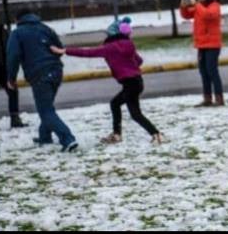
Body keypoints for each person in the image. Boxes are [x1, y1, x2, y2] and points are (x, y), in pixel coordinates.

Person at [52, 17, 165, 145]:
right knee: (115, 104)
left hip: (129, 84)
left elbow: (87, 52)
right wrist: (127, 63)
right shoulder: (128, 44)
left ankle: (156, 134)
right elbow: (139, 61)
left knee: (135, 114)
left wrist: (65, 51)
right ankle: (117, 134)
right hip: (137, 82)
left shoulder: (108, 48)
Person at [6, 9, 78, 151]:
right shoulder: (45, 28)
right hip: (56, 71)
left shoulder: (17, 33)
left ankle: (68, 139)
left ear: (17, 20)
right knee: (47, 107)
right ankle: (45, 137)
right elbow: (59, 48)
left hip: (39, 74)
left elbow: (13, 56)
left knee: (45, 111)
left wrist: (11, 78)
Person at [179, 0, 225, 106]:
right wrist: (183, 6)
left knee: (212, 71)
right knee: (203, 71)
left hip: (212, 45)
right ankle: (207, 98)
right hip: (201, 45)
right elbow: (187, 15)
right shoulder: (201, 6)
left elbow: (208, 15)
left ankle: (219, 98)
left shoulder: (214, 6)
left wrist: (197, 4)